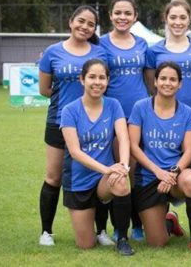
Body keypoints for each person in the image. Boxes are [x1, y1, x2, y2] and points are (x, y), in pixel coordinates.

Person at [38, 5, 106, 247]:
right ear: (70, 22)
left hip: (93, 125)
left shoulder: (100, 52)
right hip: (58, 122)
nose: (84, 26)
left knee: (96, 174)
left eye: (90, 24)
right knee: (53, 176)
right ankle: (46, 231)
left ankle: (102, 231)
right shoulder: (52, 52)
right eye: (81, 21)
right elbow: (44, 90)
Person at [128, 62, 191, 255]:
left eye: (173, 79)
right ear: (155, 81)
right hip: (150, 178)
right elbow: (133, 146)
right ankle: (169, 222)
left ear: (180, 84)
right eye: (163, 78)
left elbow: (189, 151)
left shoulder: (187, 112)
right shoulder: (141, 107)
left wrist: (172, 173)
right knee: (157, 242)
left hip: (176, 176)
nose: (167, 83)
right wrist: (158, 172)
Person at [59, 59, 133, 254]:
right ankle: (97, 228)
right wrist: (108, 169)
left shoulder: (113, 104)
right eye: (92, 77)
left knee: (120, 181)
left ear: (108, 80)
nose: (97, 82)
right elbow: (75, 152)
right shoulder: (69, 110)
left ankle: (123, 239)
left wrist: (123, 167)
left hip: (103, 178)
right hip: (79, 180)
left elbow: (124, 138)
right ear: (82, 79)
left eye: (102, 77)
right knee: (86, 244)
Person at [99, 0, 148, 243]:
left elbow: (149, 81)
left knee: (136, 172)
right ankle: (118, 228)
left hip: (138, 117)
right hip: (114, 118)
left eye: (128, 13)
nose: (122, 17)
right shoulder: (101, 44)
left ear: (135, 16)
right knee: (118, 172)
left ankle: (138, 224)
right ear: (110, 15)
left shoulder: (142, 44)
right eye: (118, 12)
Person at [145, 0, 191, 118]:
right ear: (165, 19)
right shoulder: (153, 51)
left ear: (189, 19)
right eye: (173, 17)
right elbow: (152, 86)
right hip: (162, 113)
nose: (178, 22)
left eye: (183, 17)